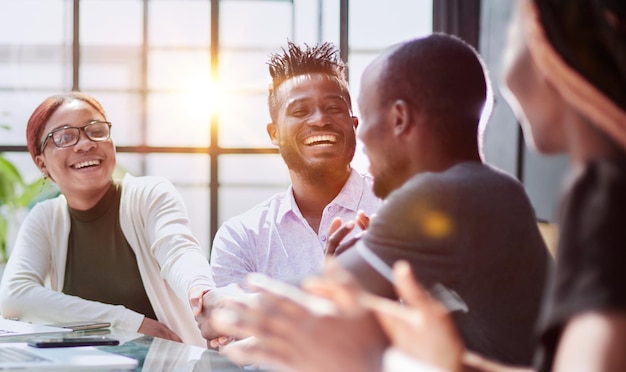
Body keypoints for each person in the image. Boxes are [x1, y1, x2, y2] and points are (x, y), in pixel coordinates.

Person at [214, 0, 626, 370]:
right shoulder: (502, 188)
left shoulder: (444, 195)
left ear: (398, 120)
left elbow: (311, 302)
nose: (359, 136)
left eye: (363, 117)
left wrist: (211, 302)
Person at [0, 92, 219, 347]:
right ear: (42, 164)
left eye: (96, 130)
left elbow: (178, 250)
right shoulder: (45, 218)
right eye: (65, 137)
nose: (85, 144)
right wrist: (130, 322)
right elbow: (14, 297)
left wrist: (200, 289)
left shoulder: (149, 195)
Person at [209, 41, 382, 289]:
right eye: (300, 111)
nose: (321, 120)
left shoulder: (398, 211)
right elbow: (229, 324)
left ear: (354, 124)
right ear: (274, 133)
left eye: (334, 108)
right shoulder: (242, 237)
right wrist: (326, 292)